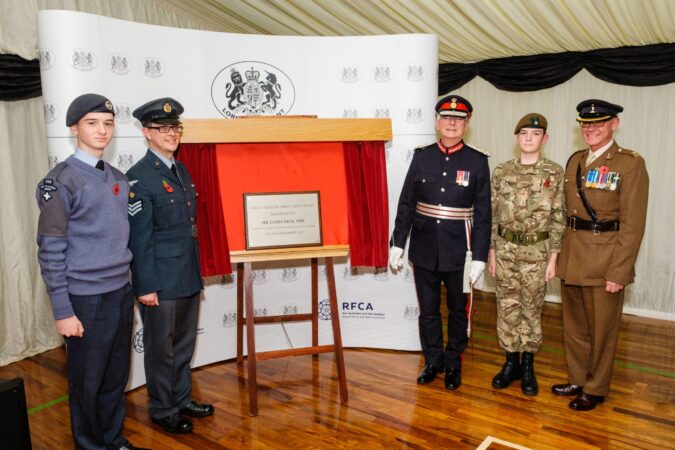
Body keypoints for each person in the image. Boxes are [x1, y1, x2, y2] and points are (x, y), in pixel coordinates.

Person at [36, 94, 147, 450]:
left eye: (108, 123)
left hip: (119, 291)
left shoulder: (116, 177)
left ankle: (113, 441)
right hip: (84, 298)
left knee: (115, 377)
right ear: (74, 128)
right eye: (92, 123)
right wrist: (63, 311)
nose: (102, 130)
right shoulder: (61, 181)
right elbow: (50, 250)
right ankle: (90, 446)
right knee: (87, 380)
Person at [389, 94, 491, 390]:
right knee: (429, 310)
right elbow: (407, 202)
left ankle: (454, 363)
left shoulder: (477, 161)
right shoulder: (422, 156)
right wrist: (398, 242)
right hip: (424, 249)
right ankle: (433, 360)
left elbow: (484, 212)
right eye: (446, 118)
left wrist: (481, 256)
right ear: (436, 122)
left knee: (460, 311)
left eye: (458, 119)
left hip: (462, 251)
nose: (452, 123)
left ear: (467, 124)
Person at [554, 99, 649, 411]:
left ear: (614, 124)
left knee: (603, 332)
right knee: (575, 328)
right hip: (573, 257)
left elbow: (633, 224)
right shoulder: (575, 160)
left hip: (605, 260)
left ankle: (595, 389)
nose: (590, 129)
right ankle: (578, 379)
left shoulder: (629, 163)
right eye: (585, 123)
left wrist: (619, 272)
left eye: (598, 123)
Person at [126, 98, 212, 434]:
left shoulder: (181, 168)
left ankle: (181, 398)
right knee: (161, 349)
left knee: (183, 344)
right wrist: (145, 285)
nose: (171, 133)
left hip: (186, 274)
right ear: (146, 133)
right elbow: (139, 238)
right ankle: (163, 408)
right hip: (160, 280)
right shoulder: (139, 178)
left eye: (174, 128)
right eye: (162, 129)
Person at [487, 113, 565, 396]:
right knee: (506, 308)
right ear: (517, 138)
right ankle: (510, 363)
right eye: (523, 134)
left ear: (544, 139)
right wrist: (492, 252)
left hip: (537, 251)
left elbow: (558, 217)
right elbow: (493, 215)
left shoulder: (554, 173)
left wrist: (553, 258)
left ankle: (528, 364)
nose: (528, 138)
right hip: (506, 250)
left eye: (535, 134)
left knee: (531, 309)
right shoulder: (502, 171)